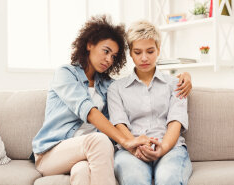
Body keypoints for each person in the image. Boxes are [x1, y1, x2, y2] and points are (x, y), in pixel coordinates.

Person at [32, 15, 192, 185]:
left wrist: (186, 76)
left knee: (82, 171)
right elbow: (89, 111)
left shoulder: (108, 86)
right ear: (89, 44)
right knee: (100, 141)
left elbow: (128, 94)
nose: (109, 59)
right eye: (106, 51)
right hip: (53, 151)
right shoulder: (66, 74)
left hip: (85, 153)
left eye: (114, 56)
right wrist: (127, 142)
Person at [107, 20, 193, 185]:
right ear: (130, 53)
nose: (144, 58)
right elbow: (119, 124)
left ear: (159, 50)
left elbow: (175, 121)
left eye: (150, 51)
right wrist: (135, 146)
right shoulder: (116, 89)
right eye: (137, 52)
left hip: (171, 149)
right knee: (135, 179)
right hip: (130, 151)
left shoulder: (176, 84)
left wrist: (163, 148)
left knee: (168, 178)